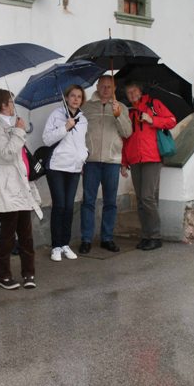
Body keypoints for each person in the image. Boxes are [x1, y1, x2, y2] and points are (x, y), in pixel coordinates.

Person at [0, 89, 41, 290]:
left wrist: (17, 130)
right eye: (11, 101)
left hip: (20, 185)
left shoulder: (9, 124)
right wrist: (19, 132)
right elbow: (6, 153)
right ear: (3, 105)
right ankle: (2, 275)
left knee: (26, 233)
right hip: (6, 187)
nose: (14, 105)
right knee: (7, 234)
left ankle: (29, 273)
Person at [79, 75, 132, 254]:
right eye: (103, 86)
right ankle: (86, 239)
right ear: (97, 86)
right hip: (91, 161)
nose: (106, 89)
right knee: (88, 201)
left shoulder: (121, 107)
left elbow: (127, 132)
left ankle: (107, 238)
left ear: (114, 88)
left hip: (112, 161)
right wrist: (80, 158)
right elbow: (78, 134)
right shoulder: (86, 107)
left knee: (110, 202)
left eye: (109, 86)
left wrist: (118, 115)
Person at [121, 82, 176, 251]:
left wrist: (152, 120)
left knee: (147, 197)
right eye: (129, 92)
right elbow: (125, 139)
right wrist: (124, 162)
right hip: (135, 159)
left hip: (152, 157)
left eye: (134, 91)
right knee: (140, 200)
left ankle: (155, 236)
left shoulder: (154, 104)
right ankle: (146, 236)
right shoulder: (128, 112)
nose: (132, 94)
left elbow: (172, 121)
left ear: (140, 91)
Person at [42, 84, 89, 262]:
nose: (76, 99)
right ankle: (56, 246)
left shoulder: (83, 120)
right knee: (60, 205)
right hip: (57, 167)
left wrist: (83, 157)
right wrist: (65, 127)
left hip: (74, 168)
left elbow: (82, 143)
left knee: (69, 207)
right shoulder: (56, 115)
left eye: (79, 96)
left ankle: (65, 244)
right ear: (67, 97)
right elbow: (46, 139)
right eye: (73, 95)